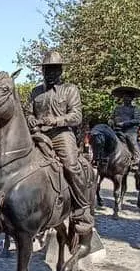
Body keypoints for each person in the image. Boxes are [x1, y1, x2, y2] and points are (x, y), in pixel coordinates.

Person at [24, 51, 94, 238]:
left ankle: (82, 211)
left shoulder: (70, 90)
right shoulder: (36, 92)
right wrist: (30, 119)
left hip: (61, 134)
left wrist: (55, 120)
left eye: (55, 69)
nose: (51, 73)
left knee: (72, 167)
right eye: (48, 69)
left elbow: (76, 116)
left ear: (61, 70)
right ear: (43, 71)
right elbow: (29, 112)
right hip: (38, 134)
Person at [110, 86, 140, 168]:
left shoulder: (135, 109)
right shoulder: (117, 108)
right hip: (117, 130)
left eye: (128, 97)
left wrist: (124, 123)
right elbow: (112, 117)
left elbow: (137, 120)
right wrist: (111, 121)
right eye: (125, 97)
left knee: (132, 141)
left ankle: (136, 159)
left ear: (131, 99)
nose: (126, 99)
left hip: (130, 131)